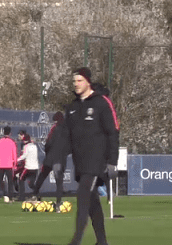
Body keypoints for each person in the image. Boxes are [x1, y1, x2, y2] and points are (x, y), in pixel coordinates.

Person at [57, 67, 119, 245]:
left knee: (83, 194)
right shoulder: (73, 108)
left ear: (88, 82)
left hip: (96, 161)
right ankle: (102, 242)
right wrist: (58, 160)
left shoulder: (101, 103)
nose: (76, 84)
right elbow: (65, 137)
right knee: (92, 201)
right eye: (74, 81)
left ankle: (76, 241)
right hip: (80, 162)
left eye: (79, 80)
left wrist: (112, 161)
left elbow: (112, 132)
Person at [33, 111, 68, 208]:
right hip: (60, 159)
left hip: (50, 157)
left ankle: (34, 195)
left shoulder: (54, 129)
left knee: (42, 176)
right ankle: (58, 203)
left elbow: (48, 142)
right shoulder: (67, 130)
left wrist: (47, 151)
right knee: (59, 181)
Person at [0, 126, 17, 203]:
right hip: (9, 165)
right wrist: (15, 164)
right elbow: (15, 155)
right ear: (10, 133)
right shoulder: (12, 142)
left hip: (0, 165)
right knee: (10, 182)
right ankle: (10, 198)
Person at [17, 133, 39, 202]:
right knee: (31, 184)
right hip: (35, 168)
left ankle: (21, 197)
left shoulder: (26, 147)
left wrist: (17, 160)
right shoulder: (35, 146)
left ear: (25, 141)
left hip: (28, 168)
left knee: (21, 179)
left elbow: (24, 155)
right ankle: (37, 195)